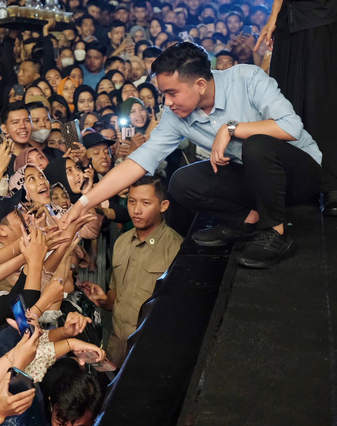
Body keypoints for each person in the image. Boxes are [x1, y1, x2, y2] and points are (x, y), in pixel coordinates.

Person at [63, 42, 322, 269]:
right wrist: (82, 204)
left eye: (172, 93)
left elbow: (291, 126)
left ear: (200, 84)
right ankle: (246, 222)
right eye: (163, 93)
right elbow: (136, 163)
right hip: (256, 181)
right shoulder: (176, 116)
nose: (167, 102)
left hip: (298, 176)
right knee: (182, 182)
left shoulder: (246, 78)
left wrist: (230, 129)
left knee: (255, 145)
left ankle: (275, 233)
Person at [81, 176, 182, 366]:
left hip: (150, 353)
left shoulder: (176, 249)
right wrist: (105, 300)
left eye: (145, 203)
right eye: (131, 201)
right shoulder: (122, 242)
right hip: (116, 349)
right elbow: (116, 295)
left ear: (163, 205)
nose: (136, 210)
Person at [255, 0, 337, 216]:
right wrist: (274, 16)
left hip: (322, 17)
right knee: (286, 102)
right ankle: (297, 182)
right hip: (288, 22)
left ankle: (331, 184)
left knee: (322, 100)